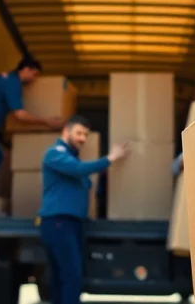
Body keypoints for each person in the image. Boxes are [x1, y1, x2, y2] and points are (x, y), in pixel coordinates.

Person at [38, 115, 129, 304]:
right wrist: (110, 158)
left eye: (85, 135)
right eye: (79, 133)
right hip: (58, 222)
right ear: (66, 131)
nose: (82, 138)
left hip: (71, 223)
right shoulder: (55, 153)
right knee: (71, 277)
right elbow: (79, 170)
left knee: (63, 279)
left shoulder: (71, 157)